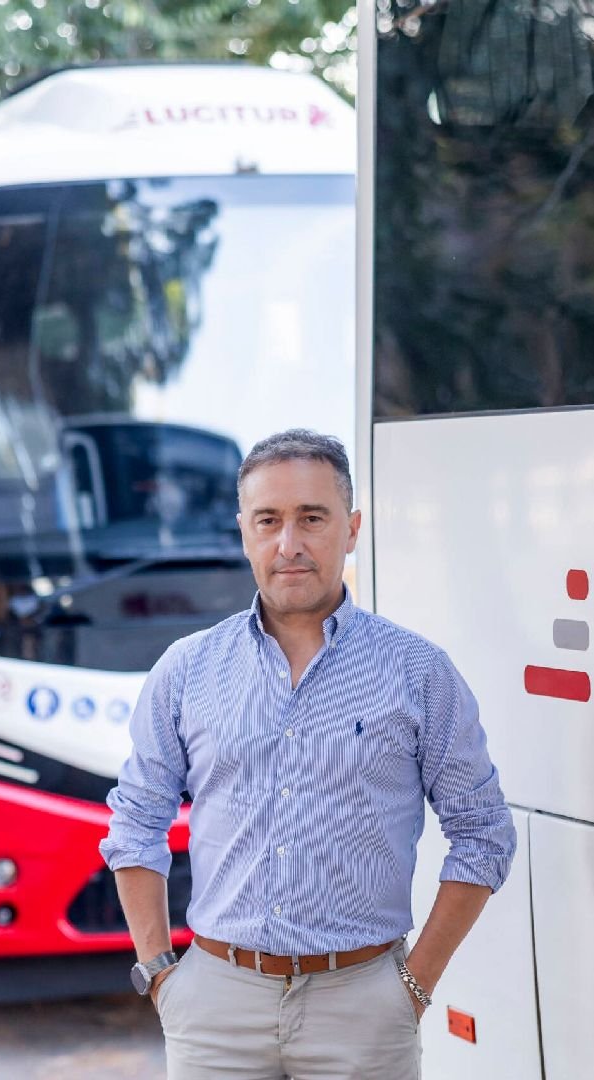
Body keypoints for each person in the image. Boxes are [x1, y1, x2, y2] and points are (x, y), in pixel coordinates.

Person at [100, 428, 516, 1079]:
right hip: (215, 1011)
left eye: (312, 519)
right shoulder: (187, 670)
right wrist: (159, 973)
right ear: (244, 533)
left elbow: (484, 833)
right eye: (268, 520)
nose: (289, 543)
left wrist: (413, 986)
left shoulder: (418, 672)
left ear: (351, 529)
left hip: (363, 1009)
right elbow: (135, 823)